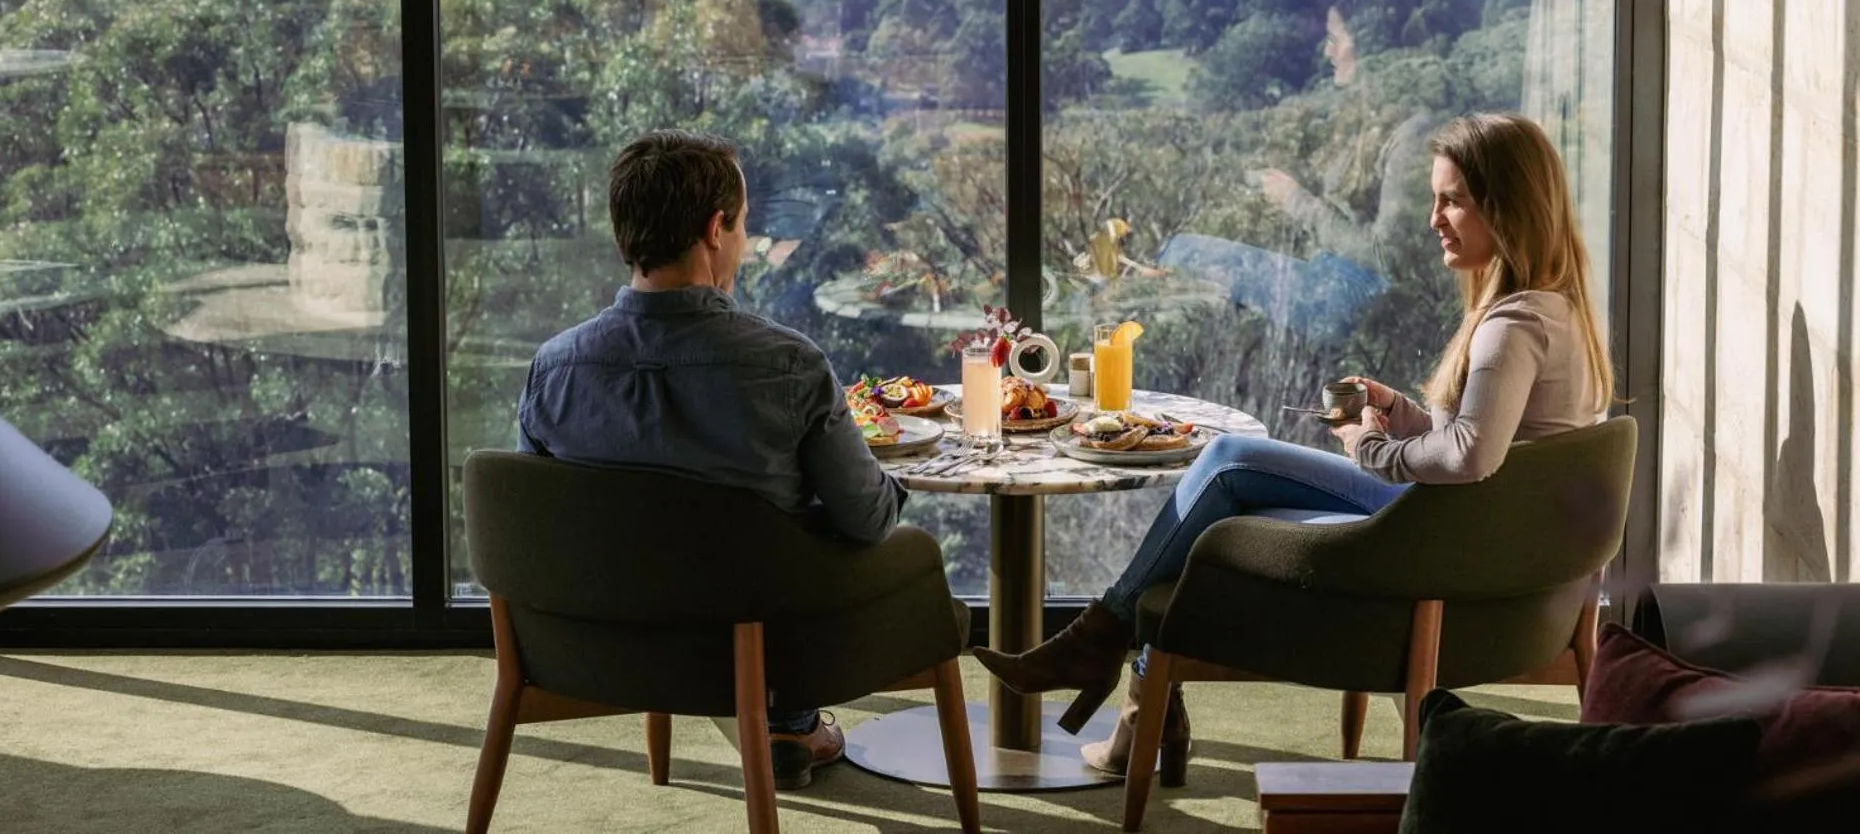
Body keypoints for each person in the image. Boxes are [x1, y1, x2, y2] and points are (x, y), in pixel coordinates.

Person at [973, 111, 1615, 778]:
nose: (1434, 218)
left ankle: (1105, 646)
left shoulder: (1511, 325)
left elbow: (1470, 457)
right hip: (1469, 543)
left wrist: (1371, 448)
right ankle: (1131, 687)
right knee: (1218, 510)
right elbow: (1489, 447)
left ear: (1508, 204)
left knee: (1227, 466)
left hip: (1439, 549)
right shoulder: (1555, 309)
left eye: (1452, 198)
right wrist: (1399, 413)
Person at [517, 129, 906, 790]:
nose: (747, 244)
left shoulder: (553, 369)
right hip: (754, 649)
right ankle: (789, 713)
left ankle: (789, 720)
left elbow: (539, 526)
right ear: (714, 227)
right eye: (745, 225)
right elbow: (867, 519)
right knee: (846, 537)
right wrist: (886, 486)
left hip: (598, 648)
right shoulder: (789, 366)